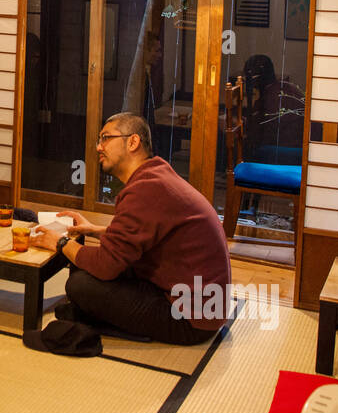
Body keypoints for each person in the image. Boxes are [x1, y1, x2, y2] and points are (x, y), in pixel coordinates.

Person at [29, 112, 231, 344]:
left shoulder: (145, 189)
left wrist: (61, 243)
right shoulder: (155, 175)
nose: (98, 147)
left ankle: (103, 322)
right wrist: (95, 230)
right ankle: (91, 316)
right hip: (205, 306)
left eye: (105, 138)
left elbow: (106, 266)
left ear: (133, 142)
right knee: (87, 269)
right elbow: (147, 234)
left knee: (80, 284)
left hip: (189, 319)